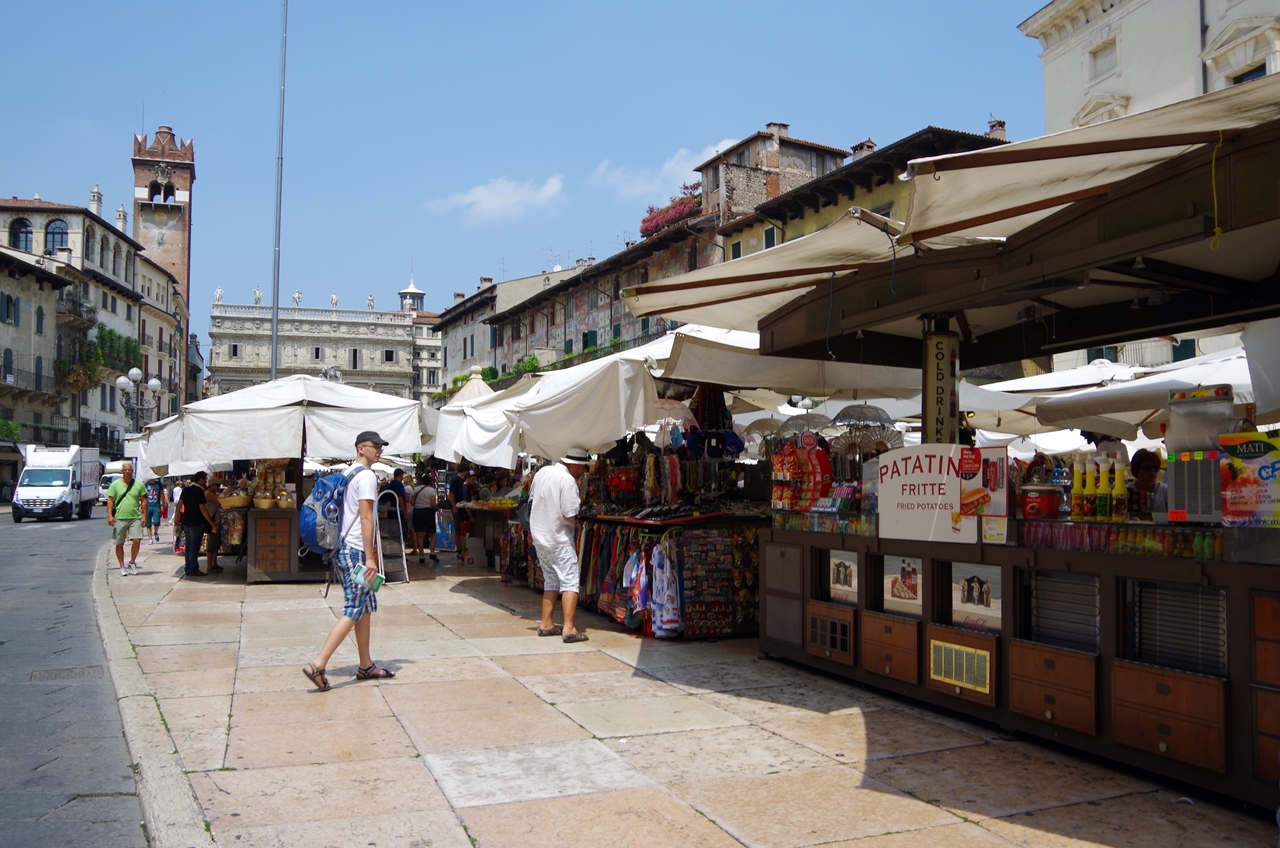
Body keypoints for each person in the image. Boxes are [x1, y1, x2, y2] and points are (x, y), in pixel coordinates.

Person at [303, 431, 397, 691]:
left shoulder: (349, 473)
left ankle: (365, 665)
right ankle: (318, 664)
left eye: (381, 446)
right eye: (374, 446)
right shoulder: (366, 476)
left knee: (364, 606)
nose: (379, 450)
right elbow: (366, 518)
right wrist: (370, 557)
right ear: (360, 448)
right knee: (354, 608)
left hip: (345, 548)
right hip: (356, 551)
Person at [530, 448, 591, 643]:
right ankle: (569, 628)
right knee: (570, 581)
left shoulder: (542, 472)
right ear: (574, 465)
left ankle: (546, 624)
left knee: (551, 580)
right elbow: (570, 511)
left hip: (540, 536)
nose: (583, 471)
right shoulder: (567, 480)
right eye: (582, 467)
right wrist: (580, 500)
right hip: (558, 538)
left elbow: (531, 500)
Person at [106, 462, 146, 576]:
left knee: (137, 540)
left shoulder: (139, 484)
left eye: (129, 470)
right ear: (122, 471)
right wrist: (110, 515)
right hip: (120, 517)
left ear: (132, 471)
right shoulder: (115, 485)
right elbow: (110, 500)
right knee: (119, 543)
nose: (127, 472)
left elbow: (144, 501)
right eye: (125, 470)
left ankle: (132, 562)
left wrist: (145, 517)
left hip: (135, 517)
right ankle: (122, 566)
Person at [179, 471, 216, 577]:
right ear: (201, 479)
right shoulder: (199, 491)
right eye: (205, 479)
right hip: (196, 522)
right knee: (194, 547)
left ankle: (188, 568)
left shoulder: (186, 489)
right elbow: (202, 508)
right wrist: (211, 522)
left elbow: (179, 505)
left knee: (189, 546)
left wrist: (177, 518)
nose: (206, 481)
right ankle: (193, 569)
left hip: (186, 522)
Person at [409, 473, 439, 564]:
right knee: (432, 534)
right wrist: (436, 508)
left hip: (417, 512)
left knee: (420, 535)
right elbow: (433, 503)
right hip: (428, 512)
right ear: (430, 482)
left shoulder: (416, 489)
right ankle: (432, 553)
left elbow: (412, 502)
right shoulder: (431, 490)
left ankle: (421, 556)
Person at [1129, 448, 1168, 513]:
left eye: (1156, 467)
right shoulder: (1126, 491)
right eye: (1147, 467)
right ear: (1136, 469)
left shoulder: (1166, 491)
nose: (1153, 471)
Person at [449, 464, 471, 563]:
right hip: (458, 509)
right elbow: (451, 494)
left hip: (462, 509)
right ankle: (459, 550)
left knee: (461, 530)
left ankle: (462, 550)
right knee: (458, 530)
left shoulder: (462, 481)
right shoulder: (456, 480)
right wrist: (454, 507)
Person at [204, 482, 224, 574]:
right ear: (211, 485)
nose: (218, 487)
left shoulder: (213, 494)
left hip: (216, 521)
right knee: (211, 544)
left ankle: (214, 563)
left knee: (216, 544)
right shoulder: (208, 494)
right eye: (217, 485)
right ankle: (209, 566)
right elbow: (220, 501)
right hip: (212, 522)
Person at [143, 476, 166, 544]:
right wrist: (142, 506)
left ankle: (155, 532)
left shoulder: (158, 483)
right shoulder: (146, 484)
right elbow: (143, 496)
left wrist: (162, 504)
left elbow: (162, 494)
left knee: (156, 522)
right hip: (148, 505)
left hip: (156, 505)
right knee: (148, 523)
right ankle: (150, 538)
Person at [171, 478, 185, 548]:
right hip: (180, 500)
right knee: (179, 510)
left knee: (175, 510)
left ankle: (173, 518)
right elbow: (181, 495)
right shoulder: (180, 489)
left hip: (175, 500)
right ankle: (173, 518)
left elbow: (173, 495)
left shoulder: (174, 489)